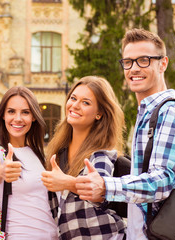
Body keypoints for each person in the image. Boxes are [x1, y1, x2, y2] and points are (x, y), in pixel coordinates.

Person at [73, 28, 175, 240]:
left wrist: (106, 185)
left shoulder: (170, 111)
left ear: (163, 64)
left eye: (144, 60)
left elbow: (163, 181)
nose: (134, 68)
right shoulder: (148, 114)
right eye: (128, 62)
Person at [41, 76, 126, 239]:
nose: (75, 105)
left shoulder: (102, 154)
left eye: (85, 102)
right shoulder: (59, 154)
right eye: (73, 98)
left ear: (99, 114)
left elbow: (99, 193)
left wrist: (67, 182)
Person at [0, 86, 58, 239]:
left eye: (25, 112)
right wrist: (2, 171)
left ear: (34, 117)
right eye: (11, 111)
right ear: (3, 115)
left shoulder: (39, 155)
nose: (18, 118)